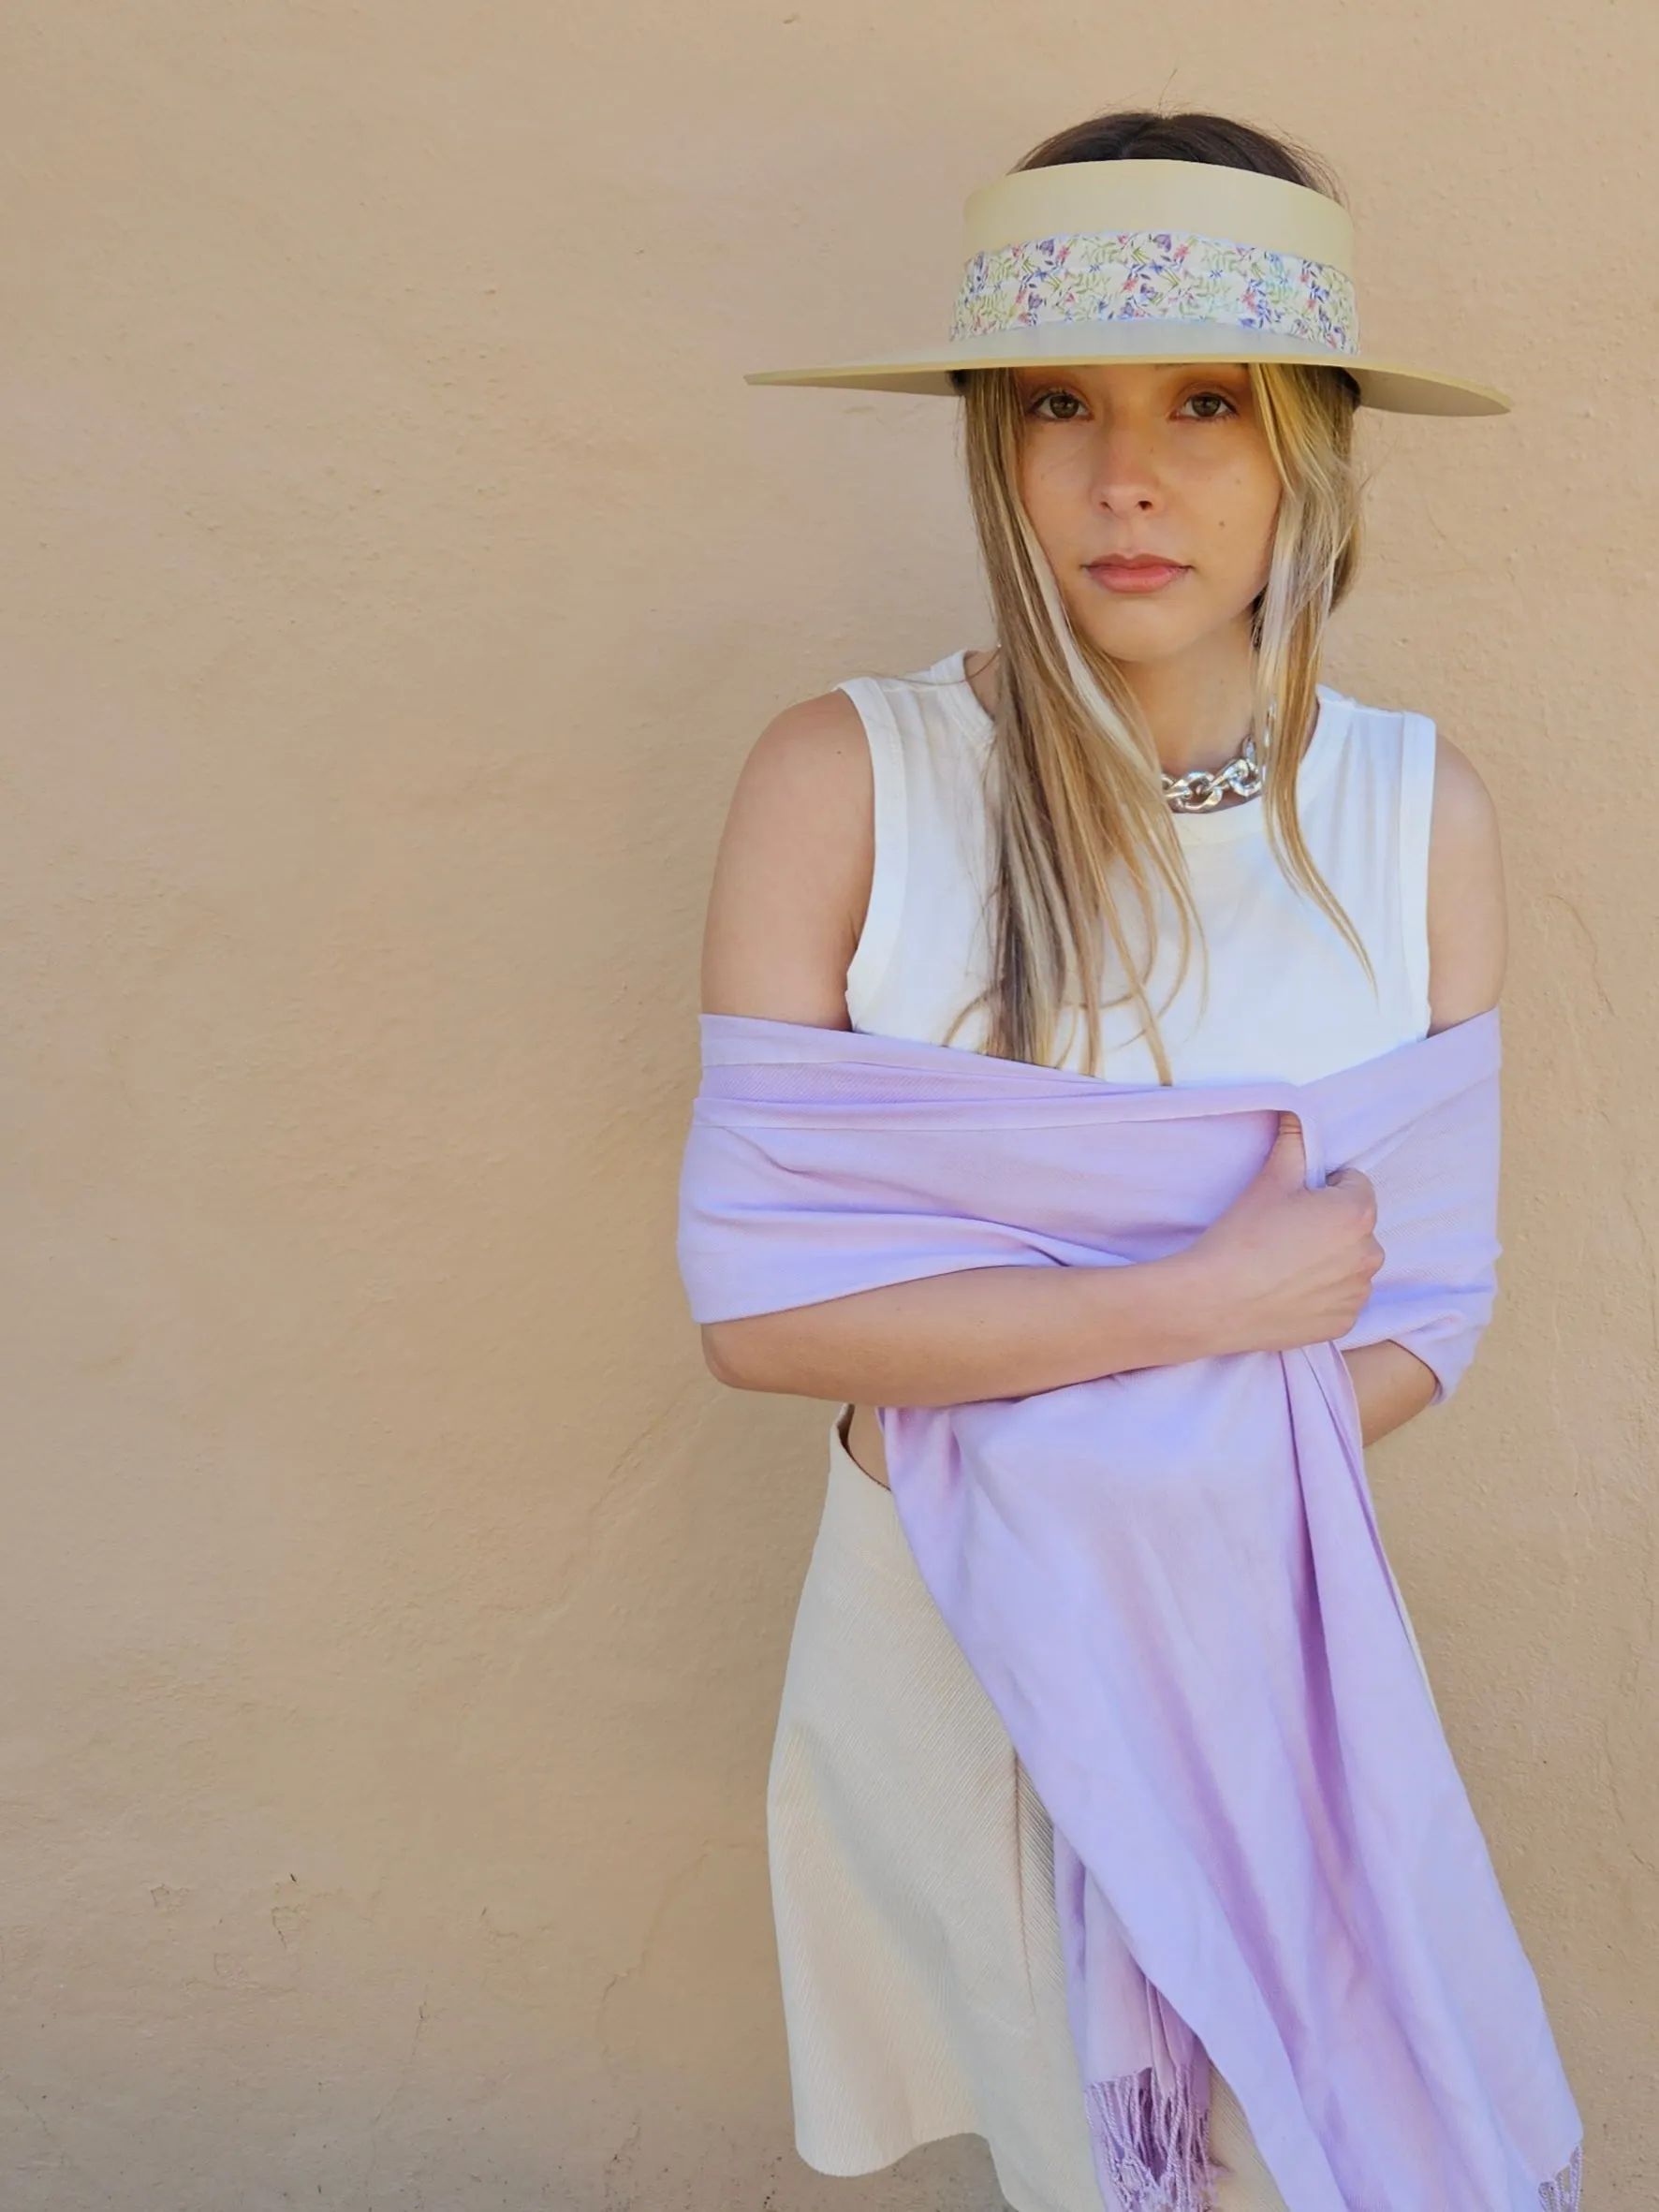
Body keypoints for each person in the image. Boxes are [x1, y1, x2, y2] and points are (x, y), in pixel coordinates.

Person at [697, 111, 1517, 2212]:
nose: (1123, 475)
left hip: (1266, 1640)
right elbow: (767, 1309)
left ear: (1309, 448)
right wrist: (1198, 1315)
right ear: (988, 436)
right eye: (1057, 400)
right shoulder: (845, 781)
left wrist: (1065, 1417)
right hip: (945, 1632)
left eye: (1203, 407)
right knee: (1072, 2157)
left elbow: (1427, 1298)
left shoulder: (1412, 816)